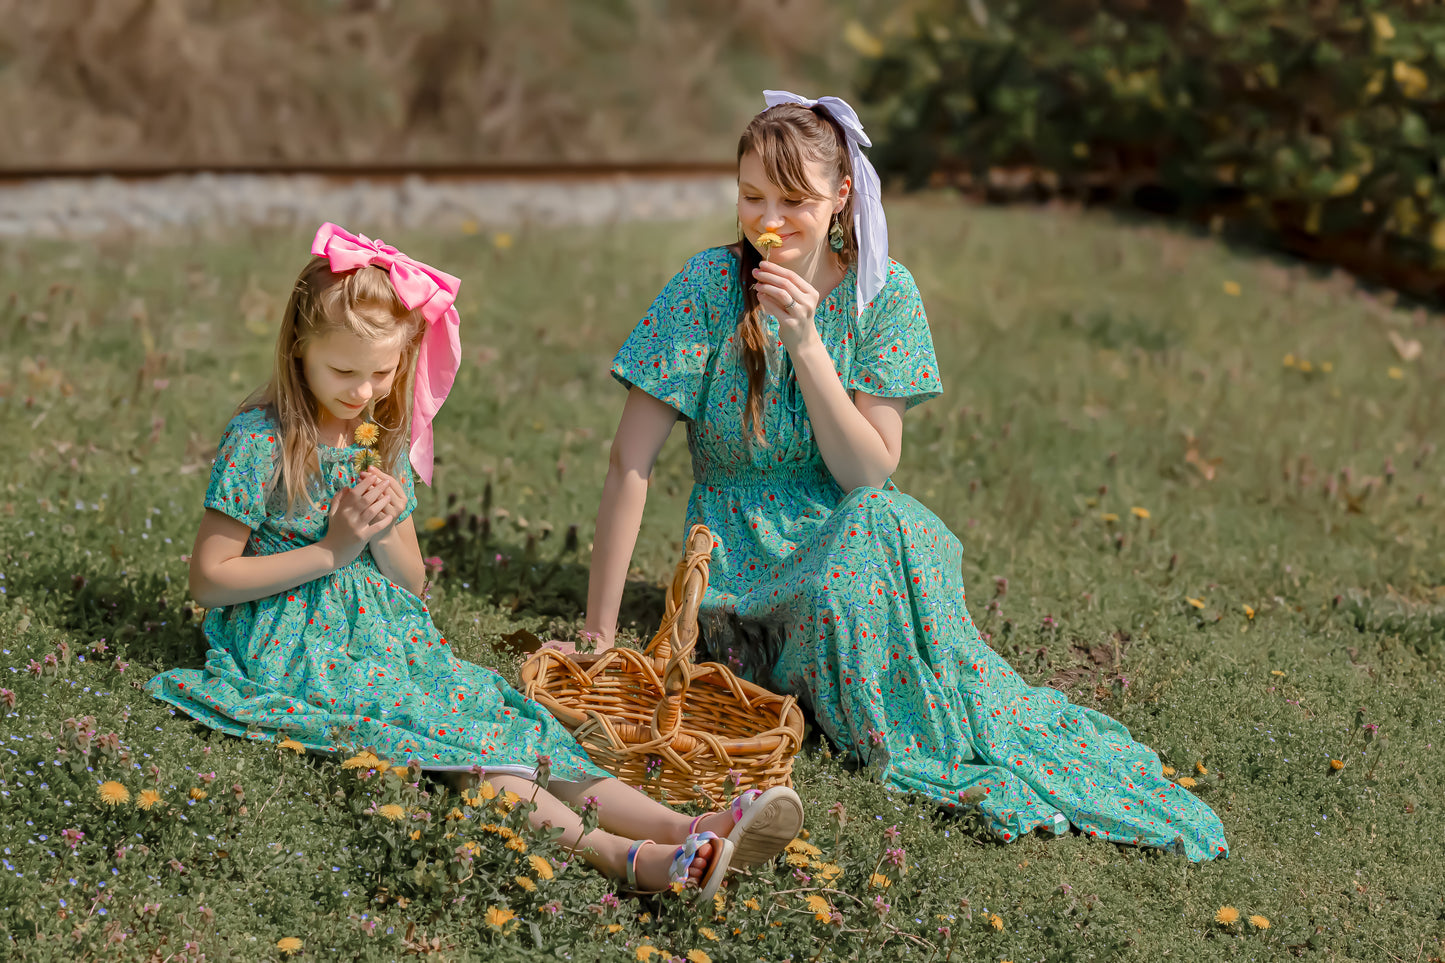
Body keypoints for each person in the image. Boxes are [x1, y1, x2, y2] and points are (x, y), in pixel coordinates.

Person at [582, 92, 1229, 861]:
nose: (769, 220)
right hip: (740, 578)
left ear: (841, 197)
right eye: (751, 196)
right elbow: (631, 462)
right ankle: (896, 722)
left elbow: (865, 472)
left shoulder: (883, 295)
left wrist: (806, 344)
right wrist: (598, 627)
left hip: (847, 547)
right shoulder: (706, 287)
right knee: (866, 541)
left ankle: (927, 721)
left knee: (882, 522)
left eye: (795, 200)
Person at [145, 223, 804, 900]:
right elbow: (210, 578)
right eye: (343, 371)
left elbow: (409, 580)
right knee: (460, 746)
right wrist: (328, 551)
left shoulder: (375, 432)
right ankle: (624, 856)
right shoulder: (261, 440)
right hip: (292, 641)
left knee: (503, 718)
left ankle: (684, 822)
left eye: (381, 372)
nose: (362, 390)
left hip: (386, 631)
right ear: (297, 349)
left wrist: (378, 528)